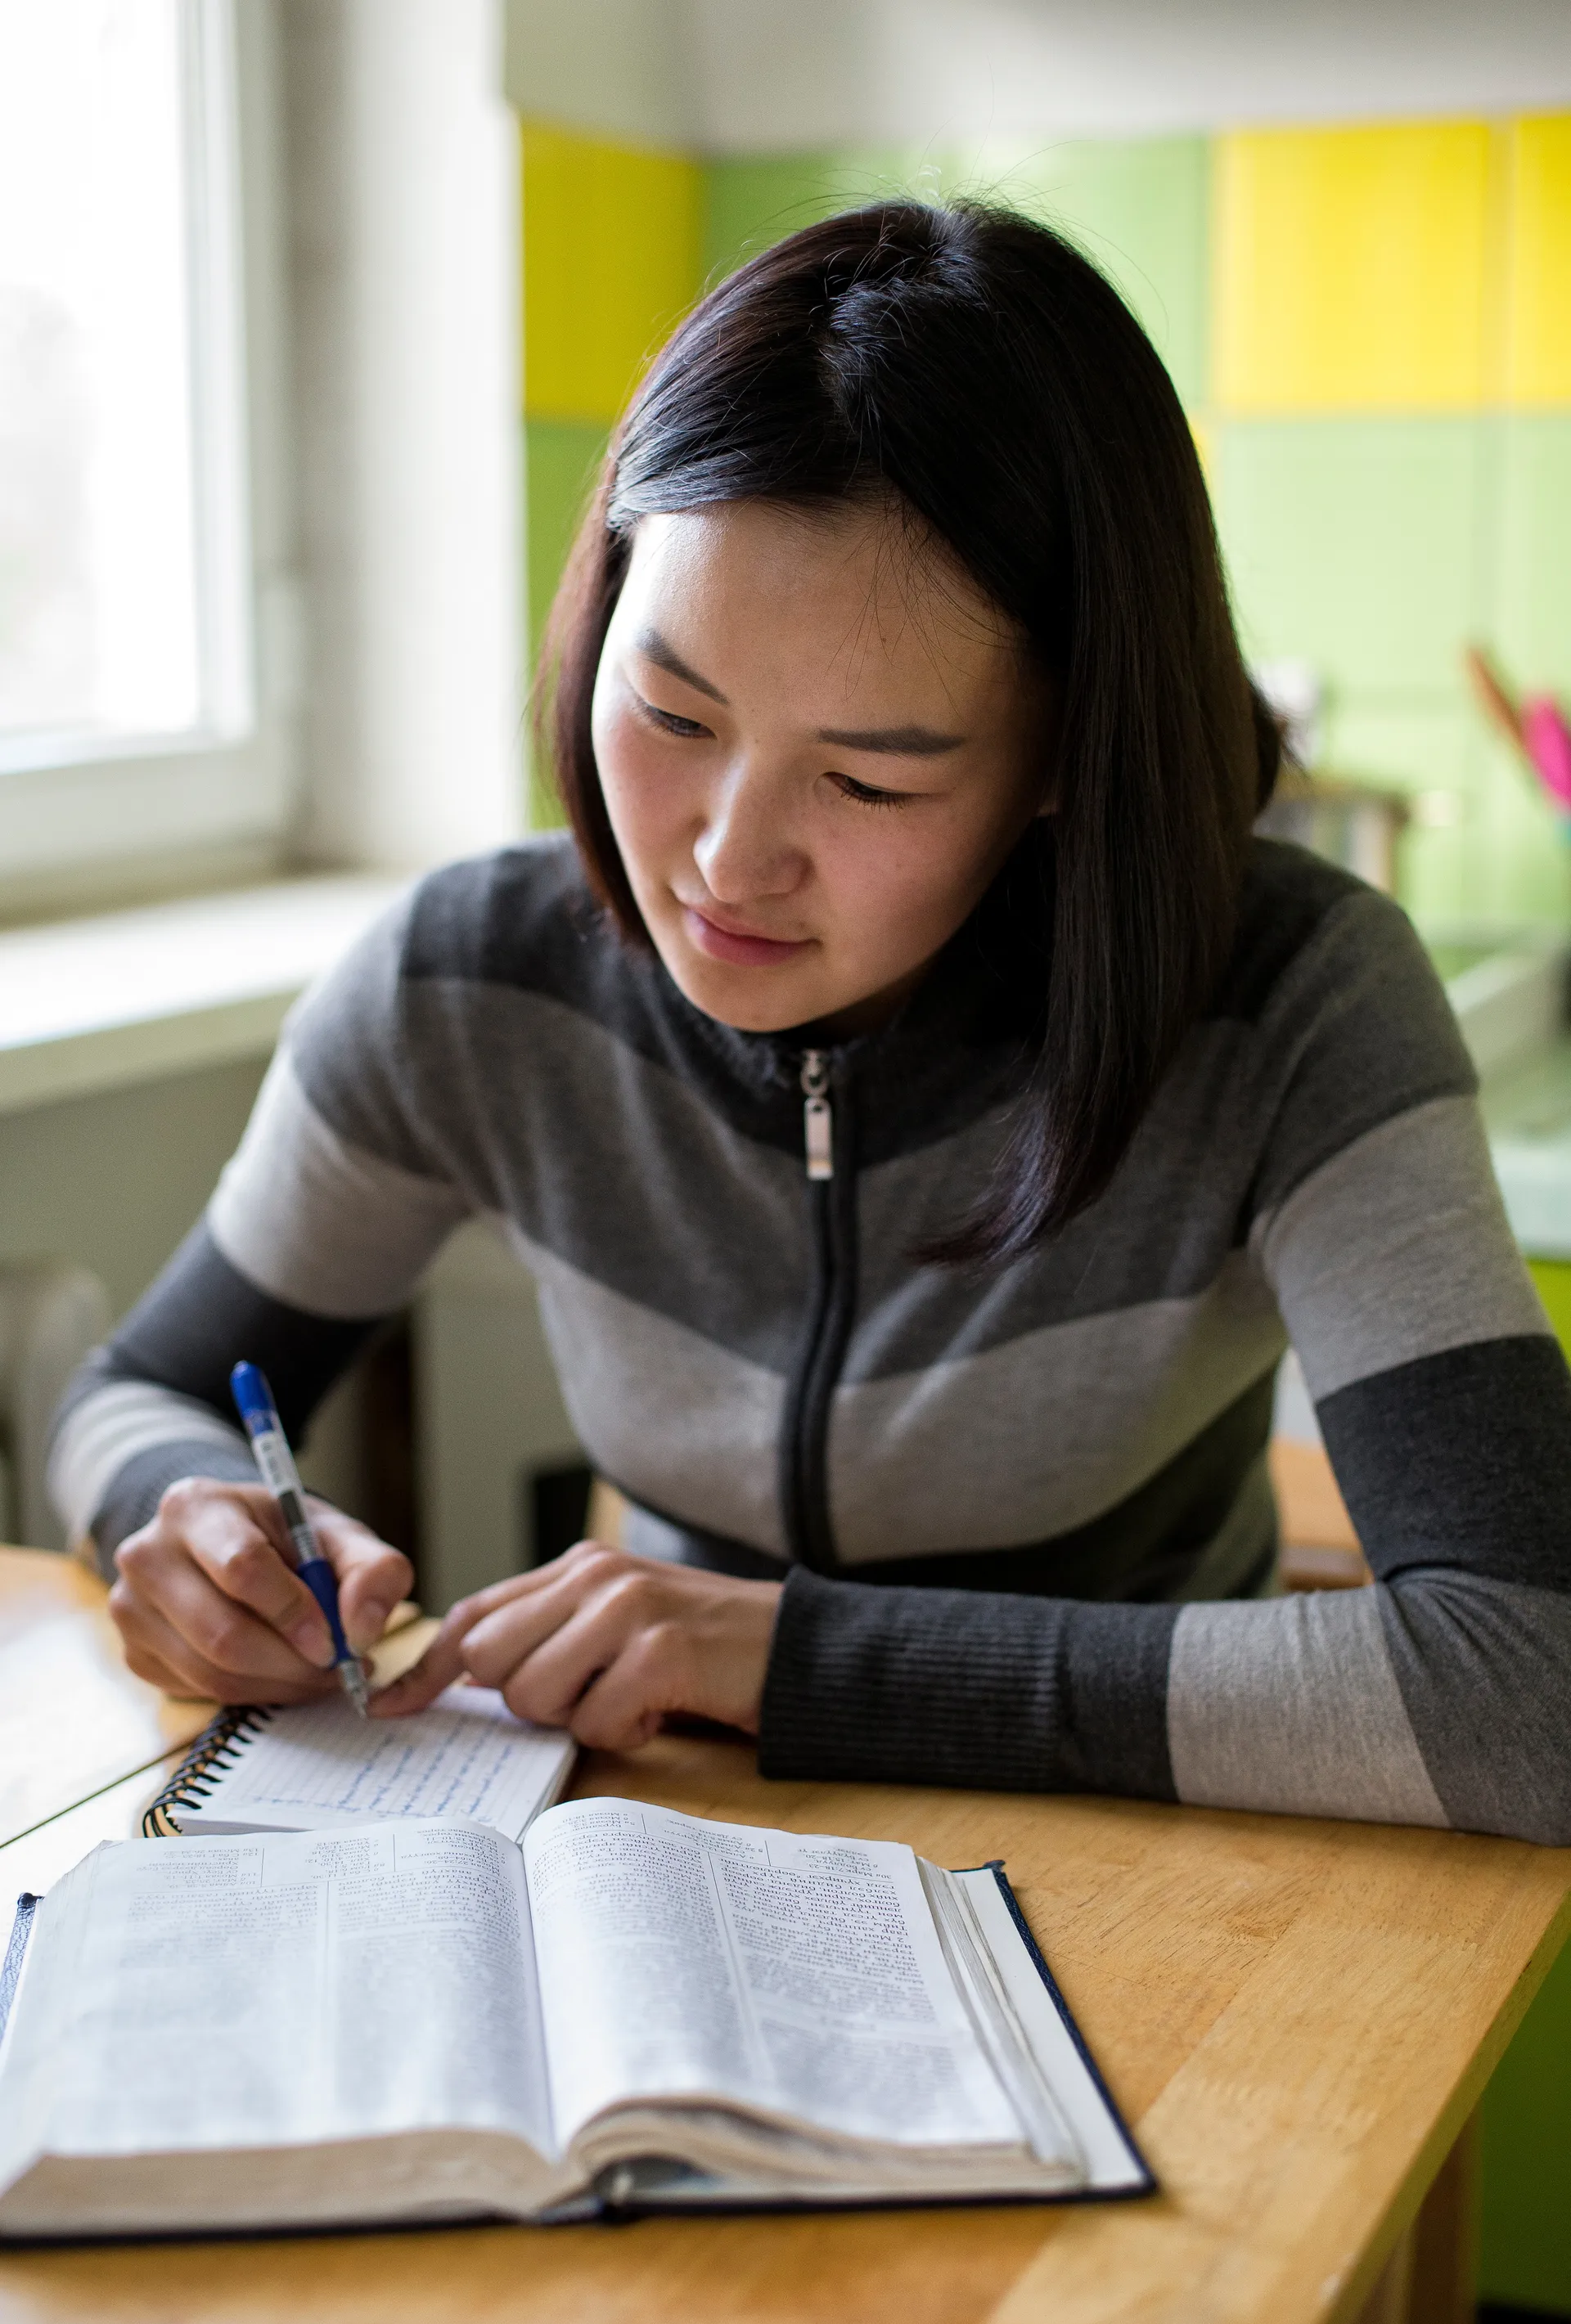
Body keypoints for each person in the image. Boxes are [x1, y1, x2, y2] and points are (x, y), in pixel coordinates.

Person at [50, 202, 1571, 1841]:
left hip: (1158, 1854)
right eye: (671, 710)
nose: (722, 857)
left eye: (867, 776)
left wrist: (792, 1663)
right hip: (669, 1840)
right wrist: (178, 1526)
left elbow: (1533, 1685)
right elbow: (133, 1390)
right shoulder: (469, 982)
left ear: (1068, 754)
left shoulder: (1290, 1005)